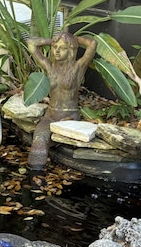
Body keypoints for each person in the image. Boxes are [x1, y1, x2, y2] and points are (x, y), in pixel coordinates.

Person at [26, 31, 97, 169]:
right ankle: (35, 178)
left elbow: (92, 44)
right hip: (50, 116)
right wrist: (54, 40)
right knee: (39, 140)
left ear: (70, 50)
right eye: (54, 47)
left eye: (62, 48)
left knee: (45, 141)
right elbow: (31, 43)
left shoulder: (78, 67)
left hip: (69, 117)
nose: (57, 51)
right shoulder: (49, 67)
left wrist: (71, 39)